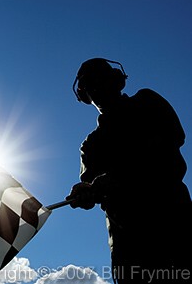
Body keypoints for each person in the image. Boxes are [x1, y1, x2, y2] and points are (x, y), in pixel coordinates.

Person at [66, 58, 191, 284]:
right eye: (91, 85)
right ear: (86, 96)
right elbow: (93, 189)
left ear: (116, 81)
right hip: (129, 247)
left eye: (100, 80)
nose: (97, 89)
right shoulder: (91, 146)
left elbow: (172, 143)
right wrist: (84, 193)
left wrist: (118, 178)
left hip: (175, 228)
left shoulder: (147, 103)